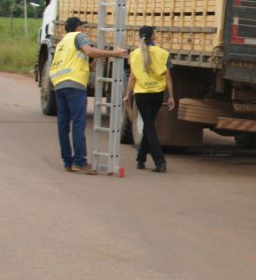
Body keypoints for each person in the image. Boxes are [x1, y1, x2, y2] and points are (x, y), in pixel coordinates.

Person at [50, 17, 128, 174]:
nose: (84, 29)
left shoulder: (62, 42)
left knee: (63, 126)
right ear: (77, 27)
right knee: (78, 124)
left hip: (59, 84)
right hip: (74, 84)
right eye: (82, 26)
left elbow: (79, 62)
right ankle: (80, 162)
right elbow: (89, 51)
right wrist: (114, 53)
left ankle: (68, 162)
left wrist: (95, 63)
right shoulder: (79, 36)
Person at [123, 25, 175, 173]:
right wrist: (171, 96)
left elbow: (132, 77)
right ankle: (151, 160)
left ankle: (149, 160)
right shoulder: (163, 53)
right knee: (150, 125)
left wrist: (128, 94)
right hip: (157, 94)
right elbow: (168, 77)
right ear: (153, 36)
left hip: (141, 94)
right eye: (155, 32)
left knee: (149, 126)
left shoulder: (134, 54)